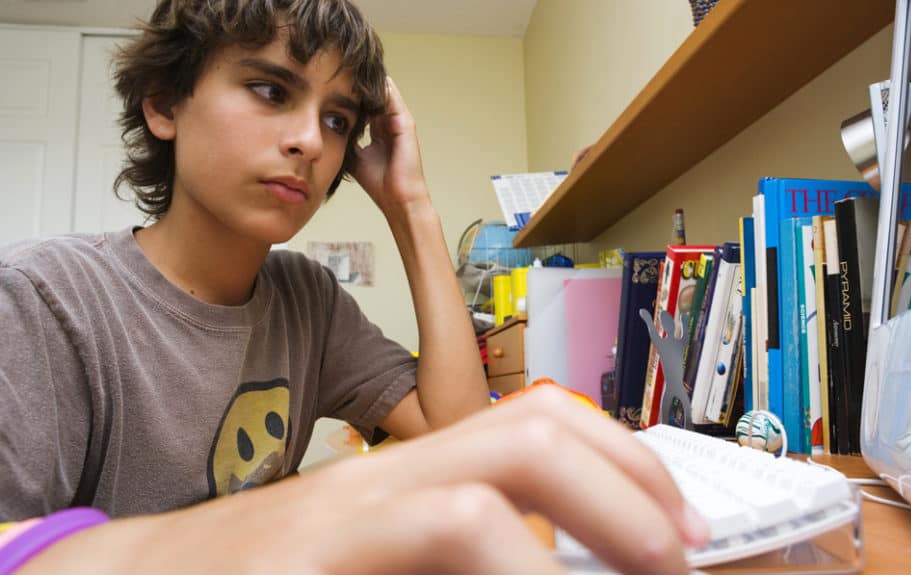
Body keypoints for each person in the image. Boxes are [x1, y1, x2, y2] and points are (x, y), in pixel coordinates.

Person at [0, 0, 707, 572]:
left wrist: (411, 206)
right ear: (164, 105)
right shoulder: (44, 297)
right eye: (271, 90)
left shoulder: (307, 300)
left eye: (338, 119)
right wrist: (309, 506)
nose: (311, 139)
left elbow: (458, 433)